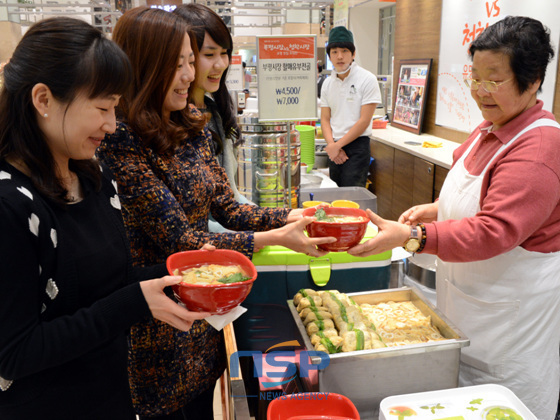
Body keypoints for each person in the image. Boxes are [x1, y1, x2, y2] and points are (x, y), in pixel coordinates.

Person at [96, 7, 335, 420]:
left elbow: (229, 208)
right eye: (178, 64)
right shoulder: (120, 140)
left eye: (191, 61)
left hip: (206, 316)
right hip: (159, 323)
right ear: (145, 66)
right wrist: (276, 238)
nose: (190, 75)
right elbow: (182, 242)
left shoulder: (191, 124)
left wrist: (295, 215)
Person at [348, 16, 560, 419]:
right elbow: (477, 196)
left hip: (510, 331)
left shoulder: (539, 148)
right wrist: (438, 210)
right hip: (472, 312)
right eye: (474, 78)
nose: (481, 92)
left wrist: (412, 235)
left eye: (494, 80)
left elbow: (494, 229)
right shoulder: (492, 127)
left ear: (533, 81)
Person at [0, 17, 208, 419]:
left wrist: (176, 275)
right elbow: (15, 352)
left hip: (110, 397)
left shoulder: (91, 176)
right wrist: (134, 302)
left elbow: (101, 285)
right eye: (102, 108)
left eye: (115, 107)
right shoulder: (11, 205)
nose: (112, 125)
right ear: (43, 100)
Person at [173, 3, 253, 233]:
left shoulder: (215, 111)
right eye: (209, 54)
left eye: (224, 53)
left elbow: (231, 196)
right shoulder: (170, 120)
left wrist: (278, 220)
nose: (220, 64)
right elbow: (183, 220)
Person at [320, 26, 381, 187]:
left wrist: (336, 146)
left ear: (353, 54)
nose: (339, 56)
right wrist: (332, 145)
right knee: (335, 196)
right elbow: (325, 119)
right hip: (334, 145)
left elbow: (364, 120)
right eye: (334, 52)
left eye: (345, 51)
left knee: (352, 199)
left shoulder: (367, 79)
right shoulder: (327, 83)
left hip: (357, 146)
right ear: (329, 56)